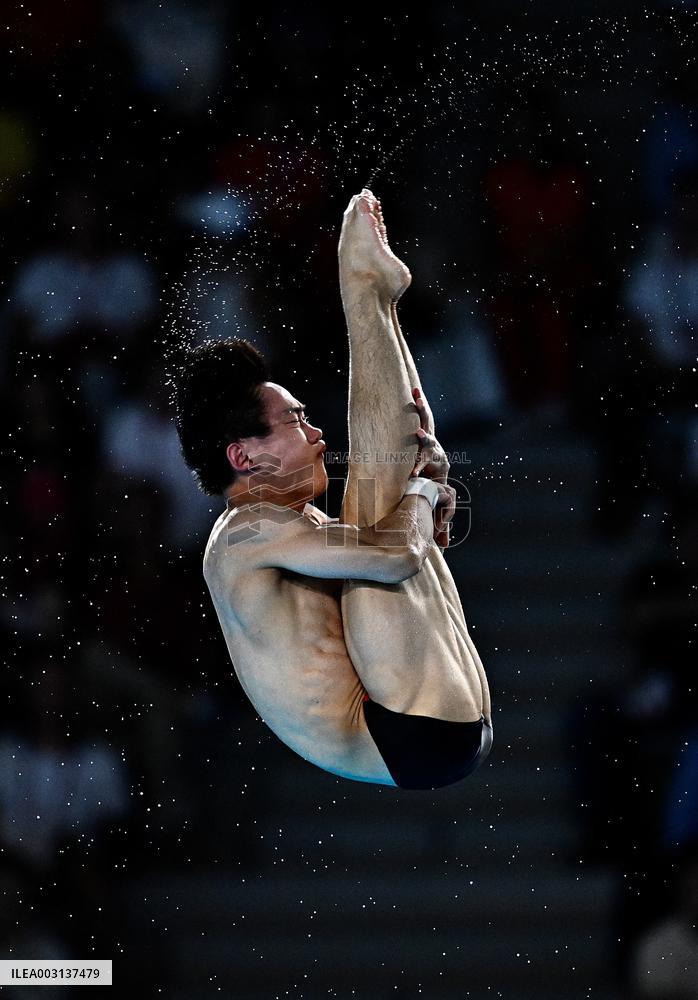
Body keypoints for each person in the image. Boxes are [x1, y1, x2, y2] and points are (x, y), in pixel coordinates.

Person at [170, 189, 492, 790]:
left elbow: (399, 546)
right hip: (407, 733)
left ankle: (376, 300)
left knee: (391, 495)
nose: (317, 432)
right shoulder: (244, 533)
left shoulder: (294, 529)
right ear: (243, 455)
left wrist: (427, 487)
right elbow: (393, 557)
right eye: (295, 421)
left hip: (436, 721)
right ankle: (363, 292)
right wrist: (421, 497)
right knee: (379, 505)